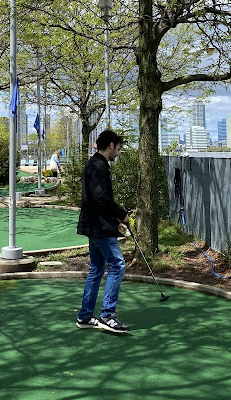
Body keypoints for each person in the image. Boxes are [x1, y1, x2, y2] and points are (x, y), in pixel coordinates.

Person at [76, 129, 130, 334]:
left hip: (96, 225)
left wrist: (113, 222)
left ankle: (85, 315)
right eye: (118, 149)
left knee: (97, 268)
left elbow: (97, 201)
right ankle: (107, 315)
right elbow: (101, 198)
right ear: (110, 145)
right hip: (98, 227)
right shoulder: (99, 166)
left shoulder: (94, 164)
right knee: (117, 264)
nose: (117, 153)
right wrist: (122, 214)